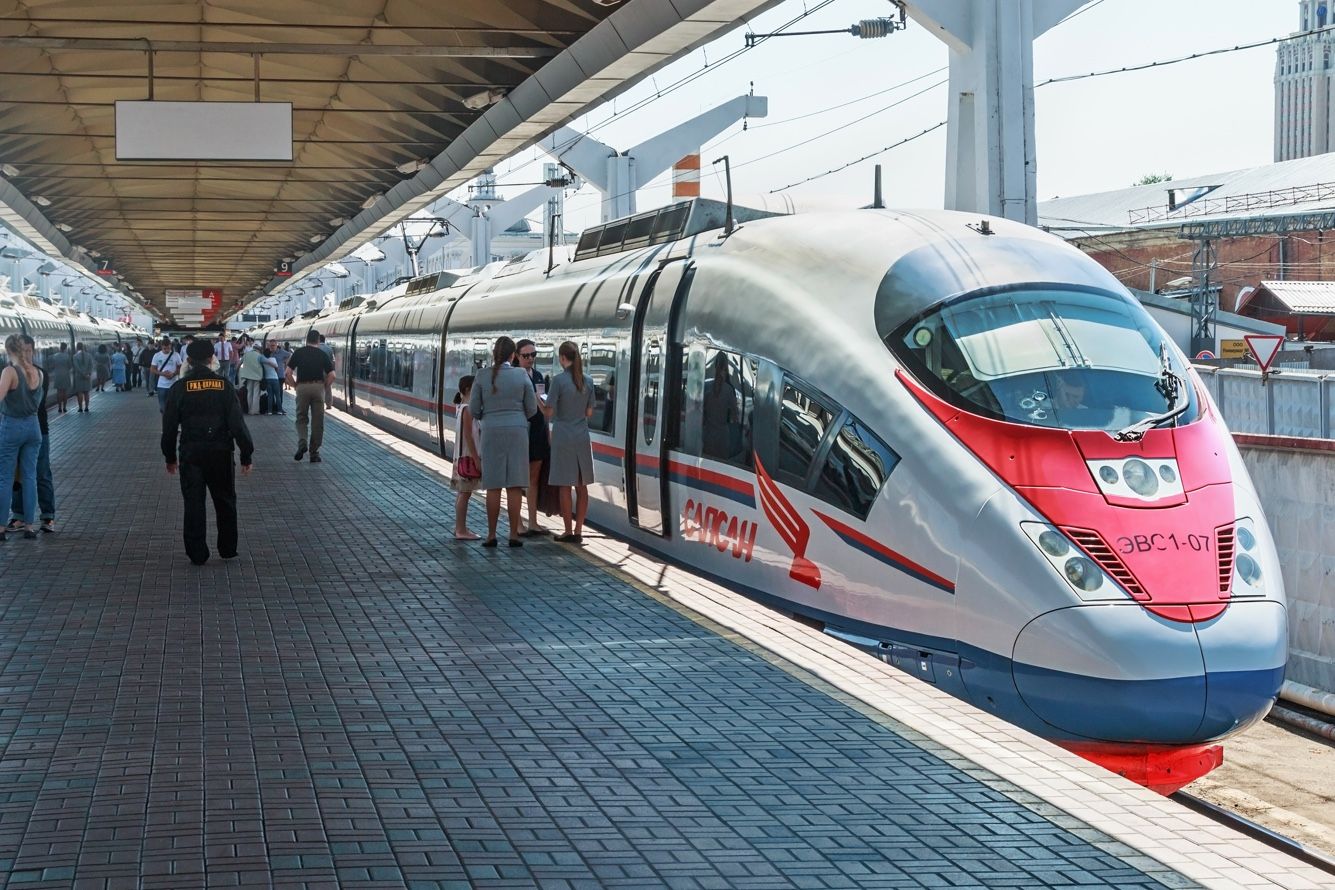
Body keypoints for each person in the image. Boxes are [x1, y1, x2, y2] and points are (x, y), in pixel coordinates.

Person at [162, 340, 254, 566]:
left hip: (191, 453)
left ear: (189, 360)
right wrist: (246, 454)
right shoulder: (224, 386)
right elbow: (237, 424)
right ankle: (227, 548)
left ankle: (197, 553)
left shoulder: (179, 388)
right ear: (212, 359)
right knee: (225, 500)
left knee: (193, 503)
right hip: (220, 452)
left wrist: (170, 457)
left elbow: (169, 427)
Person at [469, 336, 536, 548]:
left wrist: (489, 417)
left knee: (494, 486)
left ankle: (491, 535)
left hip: (491, 433)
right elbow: (532, 408)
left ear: (494, 354)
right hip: (517, 433)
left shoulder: (481, 375)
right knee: (515, 486)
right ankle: (514, 535)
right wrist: (517, 417)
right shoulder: (521, 374)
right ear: (513, 355)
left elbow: (473, 409)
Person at [541, 341, 595, 543]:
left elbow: (548, 412)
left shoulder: (558, 381)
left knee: (565, 485)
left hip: (563, 436)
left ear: (562, 358)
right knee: (581, 486)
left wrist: (538, 400)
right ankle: (579, 530)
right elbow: (589, 412)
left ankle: (567, 531)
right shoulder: (588, 381)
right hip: (582, 436)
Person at [7, 336, 55, 534]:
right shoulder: (11, 373)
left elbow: (26, 402)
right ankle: (18, 516)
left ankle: (48, 516)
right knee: (17, 475)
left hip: (39, 430)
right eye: (22, 351)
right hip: (18, 430)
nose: (25, 355)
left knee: (41, 473)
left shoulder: (40, 374)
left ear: (34, 351)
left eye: (28, 350)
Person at [0, 334, 44, 541]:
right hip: (33, 427)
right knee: (29, 477)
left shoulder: (10, 371)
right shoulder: (38, 373)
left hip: (12, 427)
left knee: (5, 478)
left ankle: (1, 528)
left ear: (10, 351)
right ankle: (29, 527)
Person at [514, 338, 550, 536]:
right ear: (517, 356)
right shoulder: (513, 376)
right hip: (519, 430)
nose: (530, 359)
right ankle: (517, 523)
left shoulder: (538, 376)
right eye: (526, 355)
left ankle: (533, 522)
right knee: (517, 480)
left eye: (533, 355)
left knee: (533, 478)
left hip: (537, 430)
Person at [286, 330, 334, 462]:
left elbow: (288, 373)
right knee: (318, 421)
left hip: (302, 387)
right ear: (318, 340)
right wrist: (324, 387)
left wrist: (295, 386)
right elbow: (332, 375)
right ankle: (314, 453)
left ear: (306, 340)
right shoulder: (322, 354)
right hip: (318, 387)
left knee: (301, 417)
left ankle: (302, 443)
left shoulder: (298, 353)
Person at [450, 375, 482, 541]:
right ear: (469, 389)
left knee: (462, 493)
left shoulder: (461, 407)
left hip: (460, 457)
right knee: (465, 493)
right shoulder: (468, 409)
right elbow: (469, 436)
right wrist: (476, 458)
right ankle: (461, 530)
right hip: (468, 457)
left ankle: (459, 527)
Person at [151, 338, 182, 413]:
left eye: (168, 348)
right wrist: (163, 374)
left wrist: (173, 374)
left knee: (174, 405)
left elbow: (180, 368)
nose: (166, 350)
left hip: (174, 384)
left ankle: (171, 417)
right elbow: (152, 369)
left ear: (170, 346)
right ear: (161, 346)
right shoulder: (157, 355)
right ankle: (165, 417)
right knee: (163, 406)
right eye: (164, 348)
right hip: (161, 385)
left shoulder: (176, 355)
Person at [238, 338, 264, 413]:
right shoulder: (260, 356)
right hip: (257, 377)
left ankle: (249, 410)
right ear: (259, 348)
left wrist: (238, 374)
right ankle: (255, 410)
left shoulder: (246, 354)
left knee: (249, 393)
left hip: (247, 376)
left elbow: (239, 364)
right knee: (256, 393)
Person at [47, 342, 71, 413]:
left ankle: (59, 408)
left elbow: (52, 366)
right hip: (65, 375)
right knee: (65, 392)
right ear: (65, 348)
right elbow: (70, 366)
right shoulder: (67, 356)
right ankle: (65, 408)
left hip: (57, 375)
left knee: (59, 392)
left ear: (60, 347)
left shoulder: (55, 356)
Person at [70, 342, 93, 412]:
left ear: (77, 347)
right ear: (83, 347)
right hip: (87, 377)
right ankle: (86, 407)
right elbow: (91, 366)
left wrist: (83, 374)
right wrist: (88, 374)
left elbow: (76, 367)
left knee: (79, 393)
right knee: (86, 393)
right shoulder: (89, 355)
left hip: (79, 377)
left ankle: (80, 408)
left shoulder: (75, 356)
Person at [270, 341, 291, 415]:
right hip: (271, 376)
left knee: (279, 393)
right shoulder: (269, 353)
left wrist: (285, 361)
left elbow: (290, 355)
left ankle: (279, 408)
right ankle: (273, 408)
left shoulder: (282, 352)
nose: (272, 347)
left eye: (273, 345)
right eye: (271, 345)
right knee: (271, 393)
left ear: (276, 345)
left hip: (280, 375)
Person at [260, 346, 281, 415]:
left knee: (270, 396)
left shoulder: (263, 361)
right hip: (275, 379)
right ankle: (279, 411)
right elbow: (277, 368)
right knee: (277, 395)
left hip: (267, 379)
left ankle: (269, 411)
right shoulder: (273, 359)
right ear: (270, 354)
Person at [317, 334, 335, 409]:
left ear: (318, 340)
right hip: (327, 371)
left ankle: (319, 403)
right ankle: (329, 404)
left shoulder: (316, 347)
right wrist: (331, 370)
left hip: (318, 371)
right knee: (328, 387)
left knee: (318, 388)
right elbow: (333, 360)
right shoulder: (329, 348)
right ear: (324, 340)